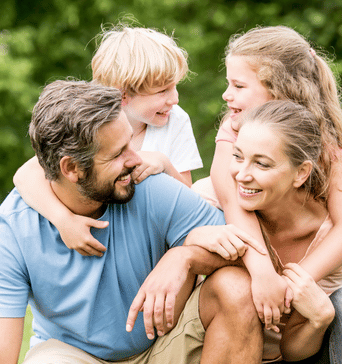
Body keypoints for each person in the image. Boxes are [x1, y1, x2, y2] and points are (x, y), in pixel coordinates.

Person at [0, 79, 266, 364]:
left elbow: (248, 251)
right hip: (76, 362)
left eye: (130, 143)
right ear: (71, 169)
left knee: (235, 287)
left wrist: (184, 257)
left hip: (165, 350)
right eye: (117, 153)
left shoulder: (148, 185)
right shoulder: (13, 230)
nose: (136, 159)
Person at [191, 26, 342, 364]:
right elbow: (233, 201)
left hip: (341, 258)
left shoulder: (320, 136)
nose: (227, 94)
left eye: (239, 85)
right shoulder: (236, 129)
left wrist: (295, 284)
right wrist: (265, 274)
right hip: (278, 251)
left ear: (277, 88)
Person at [188, 100, 342, 364]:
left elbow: (293, 350)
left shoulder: (332, 234)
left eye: (261, 163)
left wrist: (318, 321)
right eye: (237, 156)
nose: (241, 175)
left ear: (301, 173)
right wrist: (194, 237)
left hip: (310, 358)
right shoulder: (212, 200)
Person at [12, 25, 202, 256]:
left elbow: (190, 203)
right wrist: (64, 221)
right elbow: (25, 175)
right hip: (101, 240)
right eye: (163, 91)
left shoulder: (175, 120)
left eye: (175, 86)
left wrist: (165, 164)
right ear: (123, 95)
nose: (174, 98)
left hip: (152, 247)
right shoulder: (90, 121)